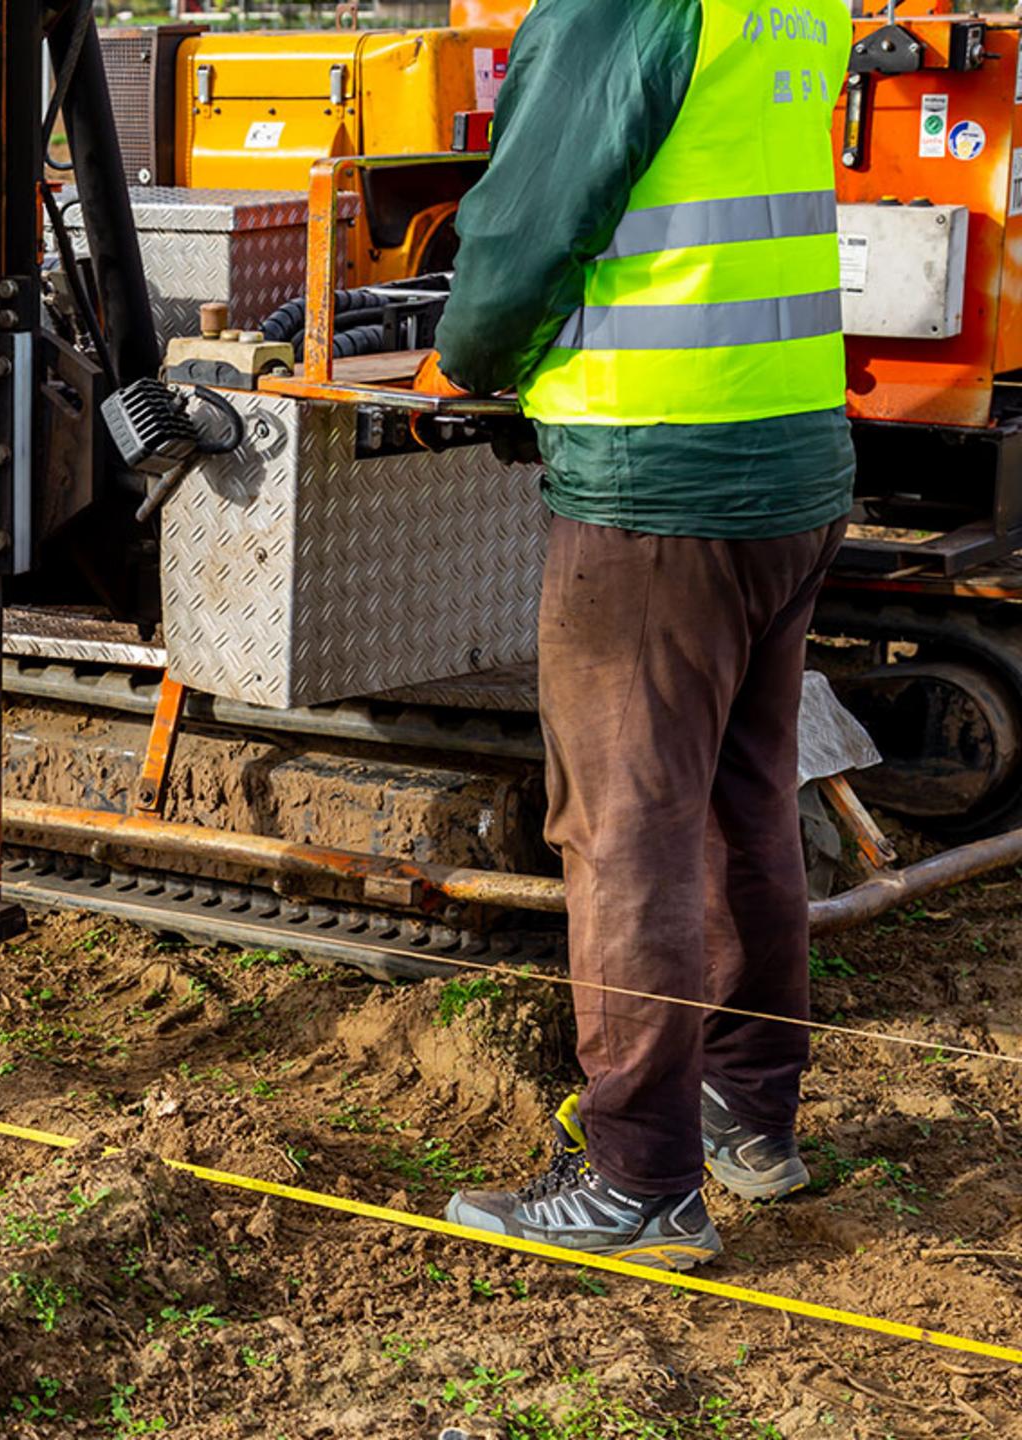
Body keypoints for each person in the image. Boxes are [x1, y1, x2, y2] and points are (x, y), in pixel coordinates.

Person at [418, 0, 857, 1270]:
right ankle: (744, 1113)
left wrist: (467, 360)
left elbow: (529, 221)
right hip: (791, 456)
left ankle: (639, 1182)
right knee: (744, 803)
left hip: (656, 484)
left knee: (623, 837)